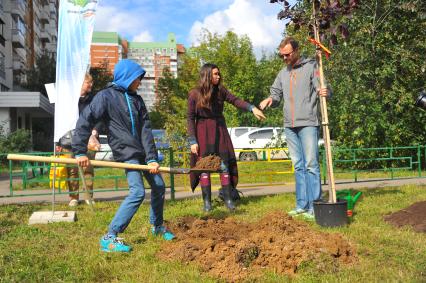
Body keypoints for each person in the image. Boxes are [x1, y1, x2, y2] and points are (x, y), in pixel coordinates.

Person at [72, 59, 175, 253]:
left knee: (159, 186)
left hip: (143, 151)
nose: (140, 82)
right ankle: (110, 236)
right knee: (137, 192)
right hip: (126, 151)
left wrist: (152, 157)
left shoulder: (137, 99)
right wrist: (79, 151)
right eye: (137, 78)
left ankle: (157, 226)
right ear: (127, 77)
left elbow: (146, 129)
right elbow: (86, 120)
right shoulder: (105, 96)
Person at [259, 37, 330, 220]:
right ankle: (301, 205)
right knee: (298, 166)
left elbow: (321, 87)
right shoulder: (283, 73)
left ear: (296, 51)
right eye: (281, 55)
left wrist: (325, 91)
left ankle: (316, 207)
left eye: (287, 55)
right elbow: (276, 94)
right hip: (289, 126)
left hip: (307, 123)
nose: (284, 59)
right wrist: (270, 100)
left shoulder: (311, 66)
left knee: (311, 165)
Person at [187, 63, 265, 212]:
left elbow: (235, 100)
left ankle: (228, 200)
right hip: (202, 132)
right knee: (204, 167)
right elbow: (190, 118)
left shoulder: (220, 90)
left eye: (219, 74)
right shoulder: (194, 94)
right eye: (215, 74)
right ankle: (207, 204)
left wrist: (252, 108)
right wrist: (192, 140)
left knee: (223, 165)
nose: (218, 76)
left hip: (219, 130)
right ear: (207, 75)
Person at [59, 73, 102, 207]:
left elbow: (100, 118)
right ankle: (73, 198)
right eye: (88, 82)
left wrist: (94, 132)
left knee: (88, 169)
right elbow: (61, 119)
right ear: (80, 83)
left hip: (88, 140)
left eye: (91, 82)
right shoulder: (68, 100)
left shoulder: (94, 99)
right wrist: (57, 141)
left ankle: (89, 197)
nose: (91, 84)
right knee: (71, 170)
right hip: (69, 140)